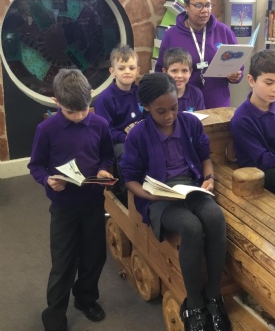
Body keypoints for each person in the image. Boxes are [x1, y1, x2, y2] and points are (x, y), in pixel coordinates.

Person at [120, 72, 231, 331]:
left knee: (215, 217)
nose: (169, 115)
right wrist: (151, 196)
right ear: (146, 107)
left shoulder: (190, 124)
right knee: (191, 227)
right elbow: (130, 179)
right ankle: (194, 303)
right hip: (158, 196)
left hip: (191, 187)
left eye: (174, 108)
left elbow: (205, 158)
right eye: (161, 111)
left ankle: (214, 296)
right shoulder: (138, 135)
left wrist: (209, 178)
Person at [28, 69, 115, 331]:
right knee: (63, 262)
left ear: (91, 97)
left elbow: (106, 156)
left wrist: (104, 170)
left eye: (84, 110)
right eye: (71, 112)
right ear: (56, 102)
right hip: (63, 206)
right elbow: (36, 166)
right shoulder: (46, 129)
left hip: (92, 202)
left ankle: (86, 298)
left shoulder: (99, 124)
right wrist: (47, 180)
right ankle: (54, 315)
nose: (79, 117)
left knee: (94, 256)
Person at [155, 0, 243, 109]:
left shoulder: (223, 32)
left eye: (208, 5)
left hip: (218, 104)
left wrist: (236, 76)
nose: (205, 10)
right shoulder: (172, 35)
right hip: (184, 106)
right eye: (198, 5)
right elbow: (160, 71)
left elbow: (237, 65)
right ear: (186, 7)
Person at [230, 49, 275, 203]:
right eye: (269, 83)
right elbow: (261, 162)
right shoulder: (242, 119)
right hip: (259, 174)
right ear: (251, 81)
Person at [93, 44, 142, 201]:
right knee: (126, 155)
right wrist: (126, 138)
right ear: (112, 71)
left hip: (141, 137)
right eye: (121, 68)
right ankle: (127, 196)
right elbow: (106, 131)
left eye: (131, 68)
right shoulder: (104, 99)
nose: (127, 71)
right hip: (118, 142)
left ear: (138, 70)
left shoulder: (142, 92)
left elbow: (149, 116)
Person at [162, 47, 205, 112]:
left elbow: (202, 116)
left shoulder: (196, 94)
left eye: (184, 71)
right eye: (174, 71)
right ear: (165, 72)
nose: (179, 76)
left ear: (190, 72)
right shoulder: (159, 96)